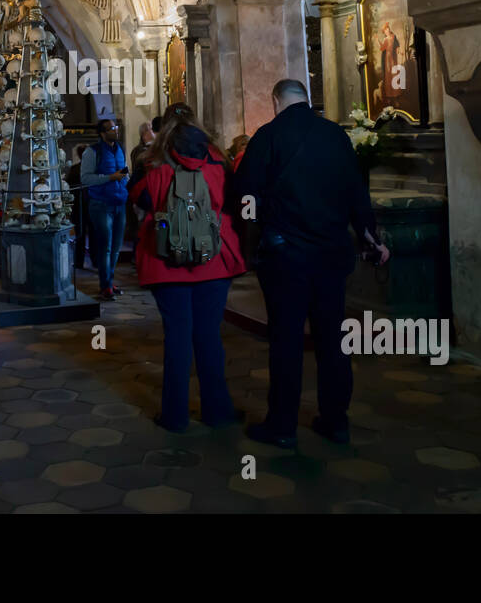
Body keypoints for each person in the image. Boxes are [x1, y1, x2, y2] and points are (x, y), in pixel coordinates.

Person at [235, 80, 390, 449]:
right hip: (331, 254)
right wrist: (370, 235)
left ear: (276, 100)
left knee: (286, 341)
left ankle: (283, 426)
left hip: (286, 256)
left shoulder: (269, 136)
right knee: (332, 340)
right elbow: (357, 190)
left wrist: (255, 229)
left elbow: (244, 194)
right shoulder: (335, 135)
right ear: (305, 98)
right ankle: (336, 421)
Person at [129, 103, 246, 432]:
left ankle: (175, 415)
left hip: (166, 258)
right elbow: (234, 201)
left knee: (177, 336)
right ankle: (217, 411)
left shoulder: (150, 161)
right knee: (209, 336)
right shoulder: (218, 158)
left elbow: (140, 201)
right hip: (213, 258)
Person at [79, 119, 127, 300]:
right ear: (102, 133)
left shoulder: (119, 148)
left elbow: (123, 174)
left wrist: (124, 182)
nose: (116, 130)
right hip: (101, 204)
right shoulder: (92, 152)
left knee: (115, 248)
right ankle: (104, 285)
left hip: (119, 203)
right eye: (111, 128)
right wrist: (109, 177)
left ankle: (109, 282)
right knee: (105, 247)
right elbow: (85, 178)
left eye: (116, 127)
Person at [65, 145, 89, 269]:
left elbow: (67, 186)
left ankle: (79, 261)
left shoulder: (74, 169)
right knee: (93, 232)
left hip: (77, 206)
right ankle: (95, 260)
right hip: (89, 204)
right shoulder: (92, 168)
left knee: (79, 234)